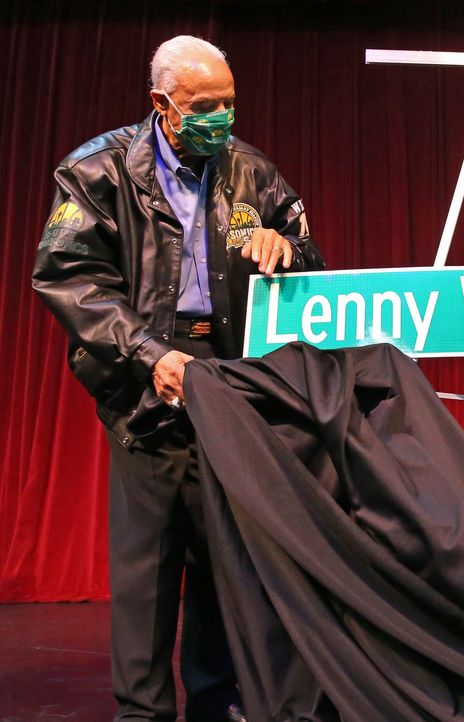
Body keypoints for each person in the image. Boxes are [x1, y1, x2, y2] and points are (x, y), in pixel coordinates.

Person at [32, 35, 324, 721]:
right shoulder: (98, 170)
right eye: (203, 106)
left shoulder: (251, 172)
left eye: (228, 103)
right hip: (144, 381)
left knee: (223, 557)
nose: (220, 118)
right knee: (149, 567)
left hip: (229, 382)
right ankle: (142, 711)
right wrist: (146, 354)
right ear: (162, 105)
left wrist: (290, 248)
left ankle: (214, 703)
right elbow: (70, 277)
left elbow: (308, 253)